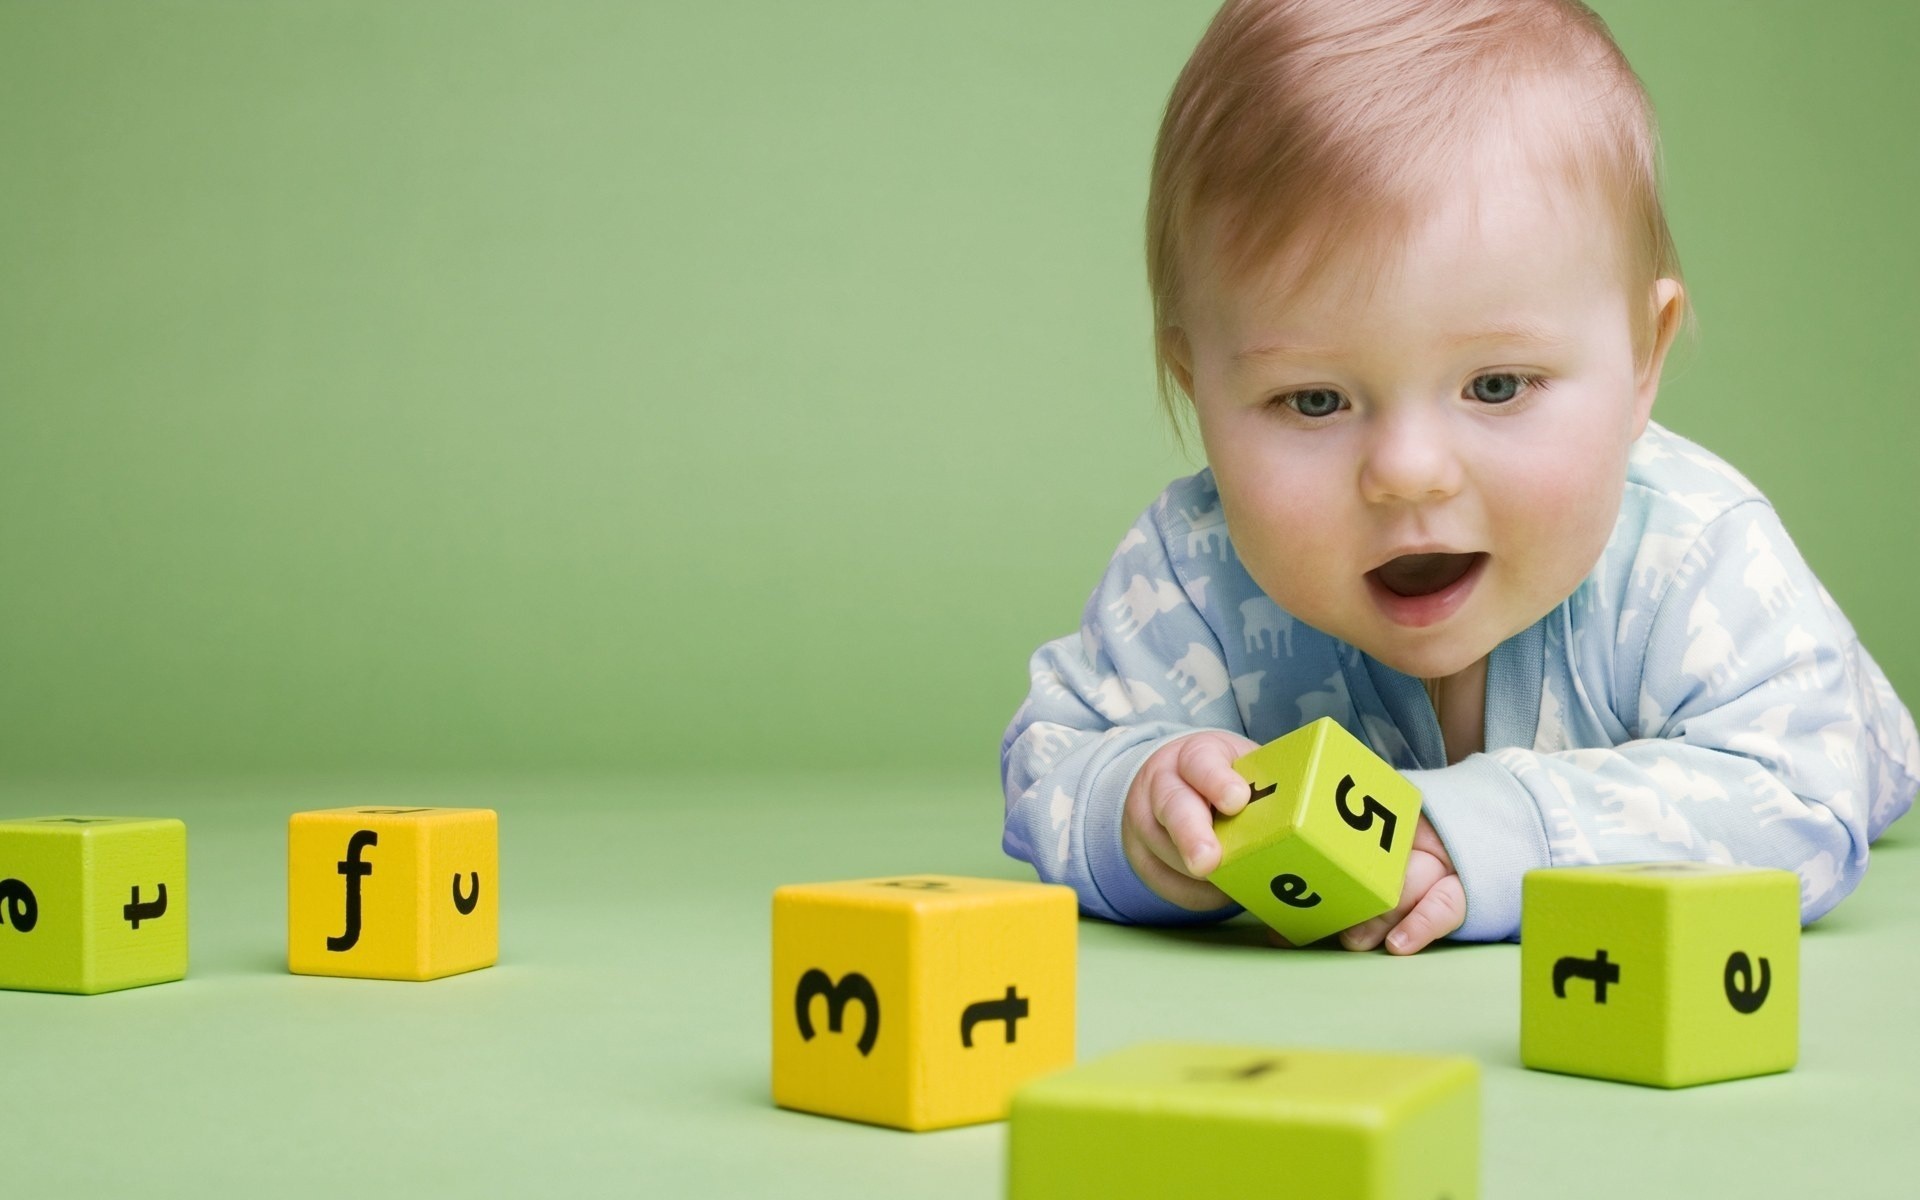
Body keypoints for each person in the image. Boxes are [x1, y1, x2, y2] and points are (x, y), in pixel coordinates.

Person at [999, 0, 1918, 954]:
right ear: (1200, 388)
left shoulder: (1692, 551)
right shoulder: (1193, 573)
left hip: (1842, 731)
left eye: (1495, 384)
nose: (1406, 473)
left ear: (1643, 359)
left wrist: (1482, 832)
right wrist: (1142, 805)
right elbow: (1053, 758)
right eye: (1313, 401)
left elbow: (1801, 792)